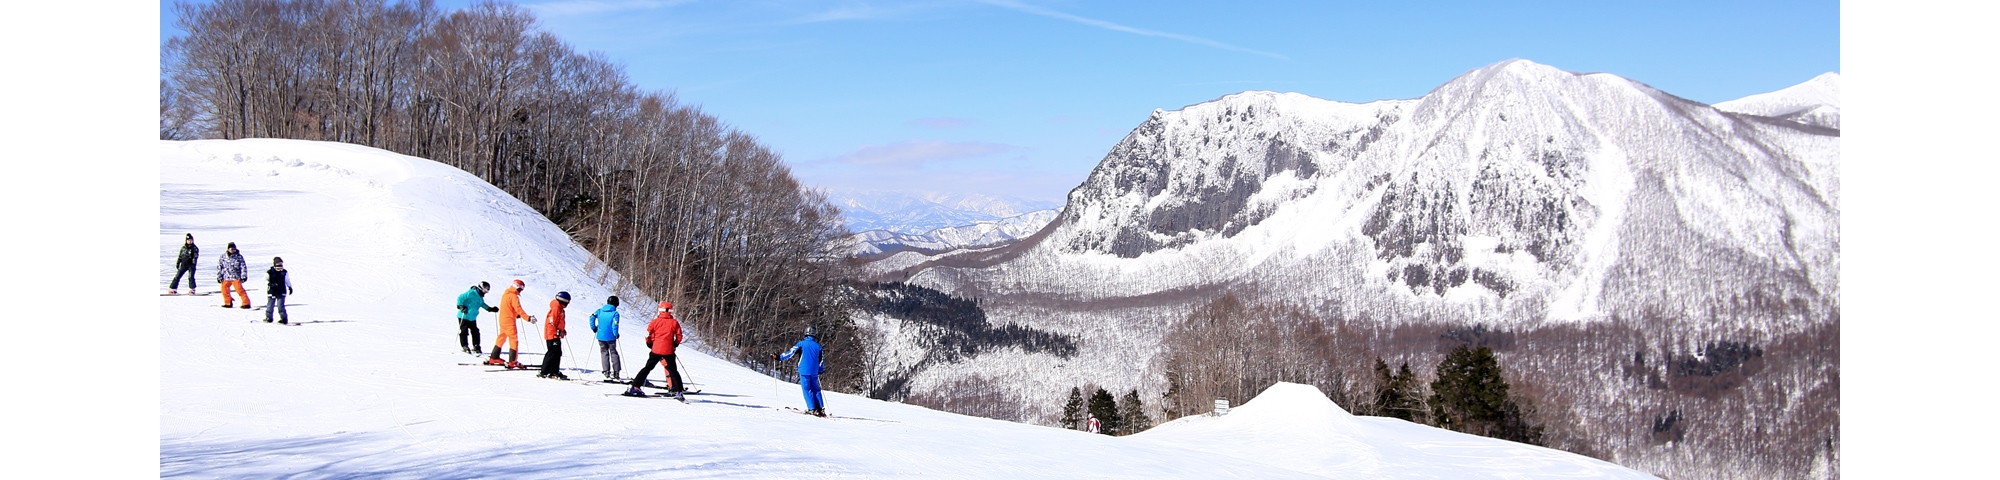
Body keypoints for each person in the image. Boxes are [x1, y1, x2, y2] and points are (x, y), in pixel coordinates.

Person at [625, 301, 686, 400]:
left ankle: (635, 387)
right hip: (668, 350)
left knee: (647, 368)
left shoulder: (655, 321)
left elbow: (648, 334)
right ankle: (679, 391)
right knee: (673, 370)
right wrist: (675, 344)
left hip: (656, 349)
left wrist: (649, 343)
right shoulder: (674, 322)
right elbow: (679, 336)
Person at [773, 325, 827, 417]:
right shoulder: (818, 346)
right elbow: (821, 360)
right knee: (816, 389)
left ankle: (812, 409)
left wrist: (779, 357)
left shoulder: (801, 344)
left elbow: (790, 353)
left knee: (807, 389)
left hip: (804, 370)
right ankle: (820, 409)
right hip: (814, 371)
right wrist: (820, 370)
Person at [485, 279, 536, 368]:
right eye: (520, 289)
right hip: (509, 322)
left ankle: (494, 357)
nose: (520, 291)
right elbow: (518, 309)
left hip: (502, 320)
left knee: (501, 338)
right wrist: (527, 318)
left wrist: (516, 315)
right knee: (513, 340)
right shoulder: (513, 296)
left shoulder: (505, 295)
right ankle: (513, 361)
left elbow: (508, 308)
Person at [455, 281, 499, 354]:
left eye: (487, 290)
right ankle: (465, 345)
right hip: (464, 316)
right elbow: (460, 297)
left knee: (475, 331)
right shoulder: (471, 293)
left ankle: (476, 345)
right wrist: (460, 306)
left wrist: (490, 309)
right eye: (485, 290)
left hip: (472, 318)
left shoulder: (480, 297)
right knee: (464, 331)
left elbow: (482, 304)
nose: (485, 292)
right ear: (481, 288)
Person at [538, 291, 572, 380]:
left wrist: (562, 330)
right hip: (552, 334)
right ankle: (544, 372)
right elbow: (552, 321)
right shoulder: (556, 308)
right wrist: (556, 331)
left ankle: (554, 371)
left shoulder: (559, 308)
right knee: (552, 353)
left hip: (554, 334)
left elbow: (558, 322)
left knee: (557, 353)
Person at [589, 296, 622, 382]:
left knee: (604, 353)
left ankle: (606, 371)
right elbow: (615, 325)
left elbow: (591, 317)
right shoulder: (615, 313)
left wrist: (594, 328)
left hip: (600, 336)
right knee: (613, 353)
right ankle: (616, 372)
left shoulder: (599, 311)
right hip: (611, 337)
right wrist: (616, 334)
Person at [216, 242, 250, 309]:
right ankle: (228, 302)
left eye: (234, 249)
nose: (232, 250)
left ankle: (246, 303)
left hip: (236, 277)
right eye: (231, 249)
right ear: (228, 249)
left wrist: (244, 275)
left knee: (240, 290)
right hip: (226, 277)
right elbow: (219, 267)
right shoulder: (223, 257)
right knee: (224, 290)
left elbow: (243, 266)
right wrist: (219, 276)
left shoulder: (239, 257)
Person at [264, 257, 294, 324]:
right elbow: (265, 280)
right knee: (270, 306)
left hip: (281, 291)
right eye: (278, 264)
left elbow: (287, 280)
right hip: (272, 291)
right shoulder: (270, 272)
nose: (280, 266)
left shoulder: (284, 272)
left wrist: (290, 287)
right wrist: (270, 284)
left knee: (280, 306)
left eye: (281, 264)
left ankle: (283, 319)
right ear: (274, 264)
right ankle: (269, 318)